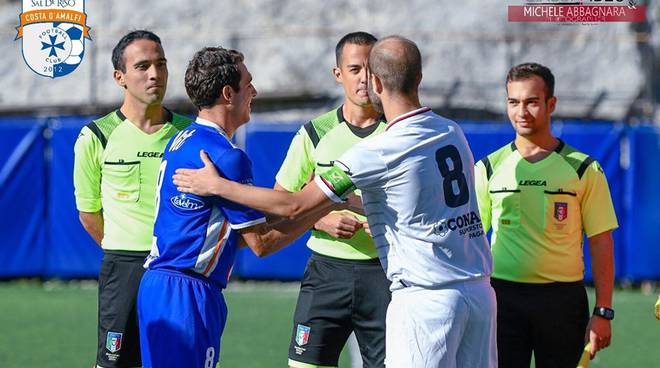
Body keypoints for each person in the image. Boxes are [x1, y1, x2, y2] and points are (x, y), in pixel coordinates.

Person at [174, 35, 497, 368]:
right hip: (479, 294)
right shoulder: (450, 131)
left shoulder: (378, 150)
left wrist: (218, 186)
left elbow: (294, 206)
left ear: (375, 81)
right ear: (419, 77)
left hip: (426, 299)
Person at [137, 47, 338, 368]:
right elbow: (261, 243)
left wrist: (304, 208)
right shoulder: (226, 155)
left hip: (160, 288)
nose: (255, 91)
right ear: (228, 93)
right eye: (249, 83)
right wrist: (324, 202)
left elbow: (229, 234)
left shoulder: (184, 138)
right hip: (187, 296)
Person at [473, 62, 618, 368]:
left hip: (563, 302)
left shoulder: (584, 169)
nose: (521, 112)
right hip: (502, 300)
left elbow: (601, 242)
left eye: (531, 102)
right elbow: (470, 238)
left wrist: (603, 311)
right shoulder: (488, 167)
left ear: (551, 104)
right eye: (513, 102)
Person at [73, 30, 192, 368]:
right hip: (122, 267)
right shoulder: (96, 136)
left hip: (177, 268)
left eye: (161, 64)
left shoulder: (191, 134)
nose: (155, 74)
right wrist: (124, 250)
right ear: (120, 77)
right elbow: (88, 214)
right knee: (114, 362)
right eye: (142, 66)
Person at [274, 31, 390, 368]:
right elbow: (281, 200)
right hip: (326, 272)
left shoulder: (398, 133)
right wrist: (319, 218)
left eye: (371, 69)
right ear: (338, 75)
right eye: (355, 69)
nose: (364, 78)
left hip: (384, 273)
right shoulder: (315, 132)